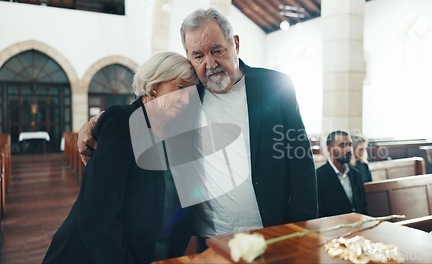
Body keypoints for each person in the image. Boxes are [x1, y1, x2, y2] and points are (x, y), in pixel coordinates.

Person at [78, 7, 318, 249]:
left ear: (235, 43)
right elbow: (144, 109)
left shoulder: (276, 86)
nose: (210, 64)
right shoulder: (188, 94)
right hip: (211, 236)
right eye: (199, 56)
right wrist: (94, 125)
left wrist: (302, 232)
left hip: (273, 230)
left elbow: (301, 163)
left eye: (217, 51)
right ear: (189, 57)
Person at [43, 52, 198, 263]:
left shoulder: (174, 134)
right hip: (94, 255)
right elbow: (97, 214)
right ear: (154, 85)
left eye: (192, 93)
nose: (187, 99)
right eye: (180, 88)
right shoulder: (122, 121)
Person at [316, 130, 368, 218]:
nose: (348, 149)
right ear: (330, 149)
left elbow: (363, 207)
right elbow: (320, 213)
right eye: (342, 145)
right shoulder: (319, 176)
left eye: (350, 145)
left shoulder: (355, 174)